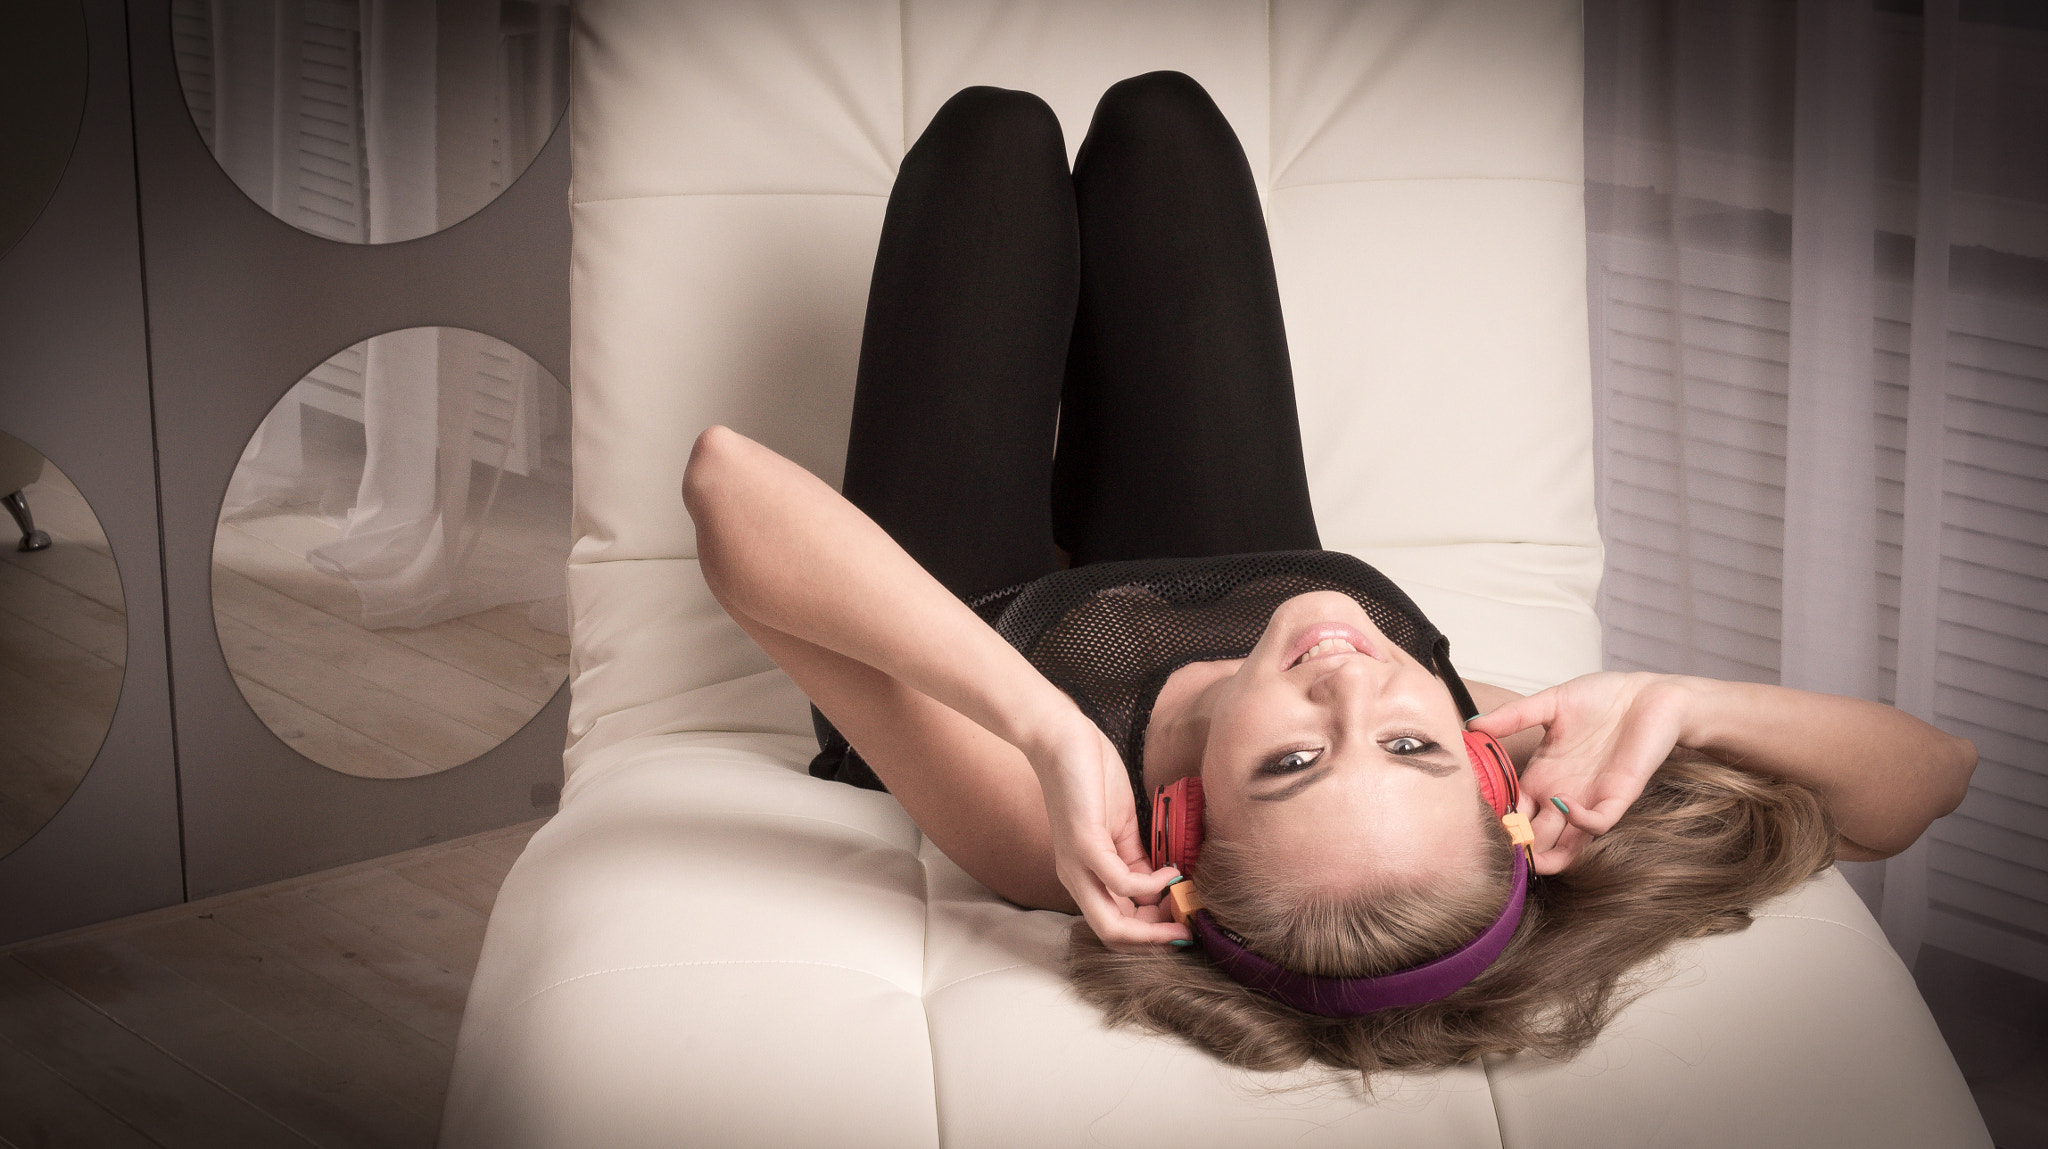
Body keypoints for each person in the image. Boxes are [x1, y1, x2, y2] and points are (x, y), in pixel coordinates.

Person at [681, 72, 1975, 1077]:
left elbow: (728, 484)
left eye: (1295, 761)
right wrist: (1680, 703)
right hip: (1217, 584)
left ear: (1179, 823)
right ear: (1487, 773)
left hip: (964, 638)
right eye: (1412, 747)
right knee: (1164, 127)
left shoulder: (1055, 833)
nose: (1353, 683)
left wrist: (1047, 732)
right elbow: (1931, 778)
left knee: (992, 142)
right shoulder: (1468, 747)